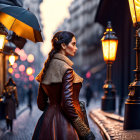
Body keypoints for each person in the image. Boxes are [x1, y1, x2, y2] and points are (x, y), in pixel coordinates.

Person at [32, 31, 95, 140]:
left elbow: (41, 104)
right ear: (63, 45)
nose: (76, 48)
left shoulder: (46, 69)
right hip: (65, 125)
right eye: (74, 44)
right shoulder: (66, 70)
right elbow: (67, 104)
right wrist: (84, 130)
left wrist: (53, 104)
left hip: (45, 123)